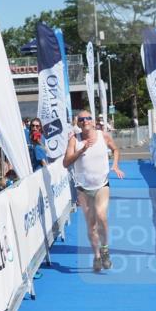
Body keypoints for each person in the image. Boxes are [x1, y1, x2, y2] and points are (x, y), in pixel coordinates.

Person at [64, 110, 125, 272]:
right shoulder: (74, 140)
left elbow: (116, 150)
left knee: (101, 215)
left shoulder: (103, 136)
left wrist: (116, 165)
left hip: (101, 185)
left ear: (92, 120)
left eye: (88, 118)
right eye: (81, 119)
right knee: (91, 227)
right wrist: (81, 151)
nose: (85, 121)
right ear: (78, 123)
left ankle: (105, 249)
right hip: (83, 189)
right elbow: (65, 163)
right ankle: (97, 256)